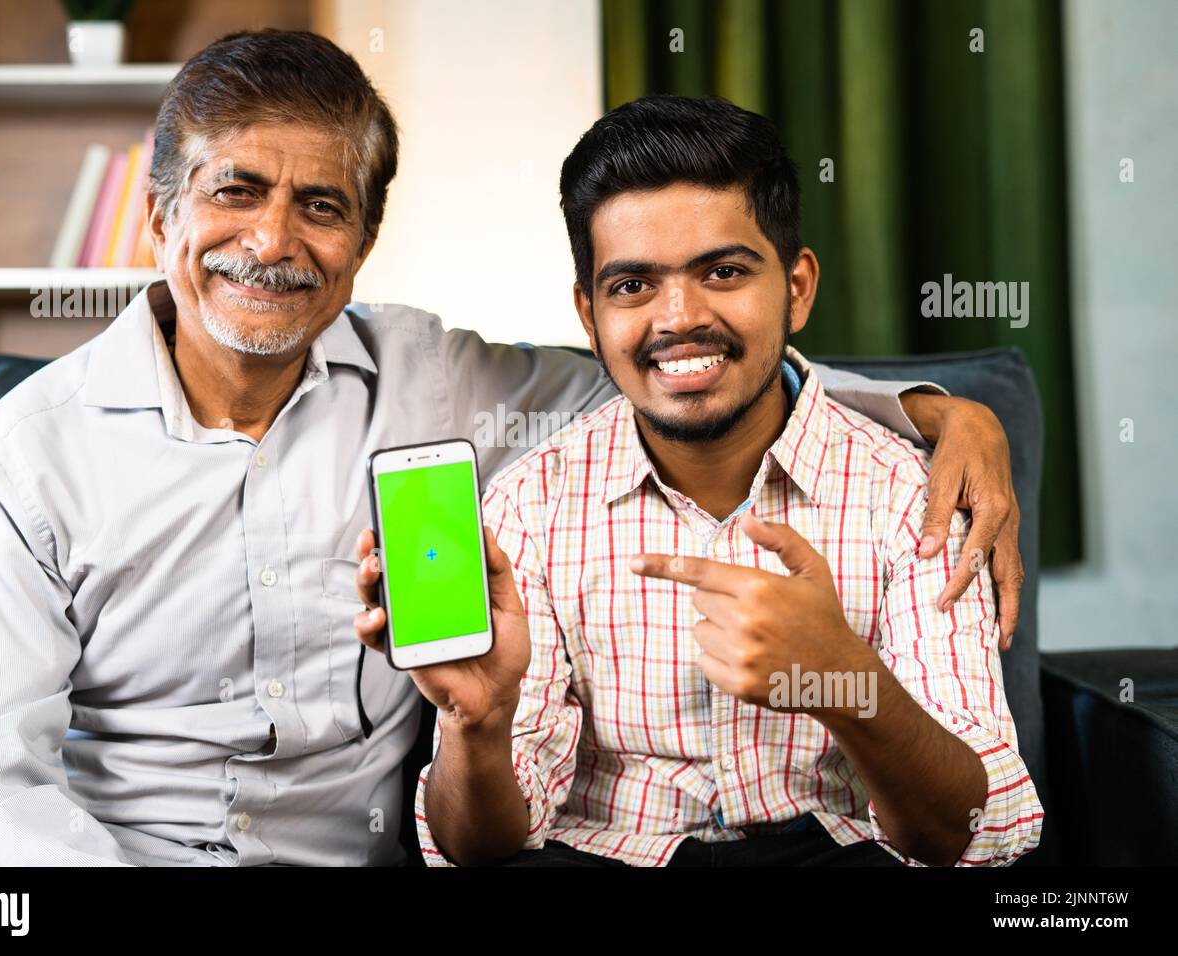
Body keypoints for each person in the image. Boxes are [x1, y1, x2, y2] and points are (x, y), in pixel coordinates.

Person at [0, 31, 1021, 866]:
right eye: (235, 193)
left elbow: (676, 367)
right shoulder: (29, 450)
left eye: (321, 204)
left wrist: (940, 410)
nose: (273, 241)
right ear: (159, 219)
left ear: (360, 243)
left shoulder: (441, 380)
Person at [355, 95, 1041, 867]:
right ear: (590, 315)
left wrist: (849, 683)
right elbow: (478, 852)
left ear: (798, 287)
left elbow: (980, 833)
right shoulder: (528, 506)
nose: (678, 317)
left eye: (723, 271)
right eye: (632, 286)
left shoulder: (914, 496)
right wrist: (478, 724)